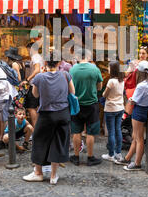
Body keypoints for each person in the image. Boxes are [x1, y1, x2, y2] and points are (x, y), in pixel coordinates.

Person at [23, 50, 75, 184]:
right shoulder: (65, 75)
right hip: (63, 113)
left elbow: (35, 95)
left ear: (45, 62)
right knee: (57, 142)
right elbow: (73, 92)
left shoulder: (39, 77)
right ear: (59, 62)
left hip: (46, 114)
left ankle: (38, 172)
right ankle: (53, 176)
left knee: (39, 141)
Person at [116, 61, 148, 171]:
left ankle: (137, 163)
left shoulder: (141, 85)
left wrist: (130, 100)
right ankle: (128, 157)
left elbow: (134, 101)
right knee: (136, 137)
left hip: (139, 111)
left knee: (138, 138)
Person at [69, 48, 104, 166]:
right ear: (88, 56)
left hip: (77, 104)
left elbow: (70, 87)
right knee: (90, 132)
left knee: (76, 131)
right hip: (91, 104)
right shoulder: (95, 69)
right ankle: (90, 157)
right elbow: (99, 87)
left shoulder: (72, 70)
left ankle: (76, 157)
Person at [101, 61, 125, 162]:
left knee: (111, 132)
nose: (108, 69)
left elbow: (104, 95)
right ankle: (118, 153)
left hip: (110, 108)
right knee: (118, 130)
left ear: (113, 69)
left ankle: (111, 154)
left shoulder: (111, 81)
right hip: (120, 107)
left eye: (109, 67)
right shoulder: (122, 80)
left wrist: (104, 93)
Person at [21, 42, 44, 128]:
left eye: (28, 50)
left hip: (35, 84)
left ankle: (35, 129)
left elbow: (37, 69)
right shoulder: (39, 57)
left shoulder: (35, 57)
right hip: (39, 84)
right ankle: (38, 129)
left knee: (31, 107)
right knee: (36, 107)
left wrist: (27, 79)